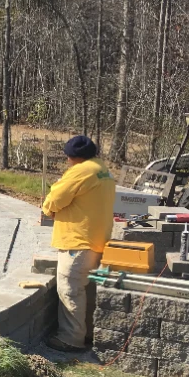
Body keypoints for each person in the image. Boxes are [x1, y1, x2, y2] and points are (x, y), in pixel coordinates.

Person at [41, 135, 116, 353]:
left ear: (74, 157)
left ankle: (71, 338)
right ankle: (88, 332)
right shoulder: (103, 170)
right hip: (98, 240)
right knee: (87, 289)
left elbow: (56, 198)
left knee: (70, 288)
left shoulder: (80, 171)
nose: (67, 161)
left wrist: (48, 208)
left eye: (68, 158)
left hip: (78, 241)